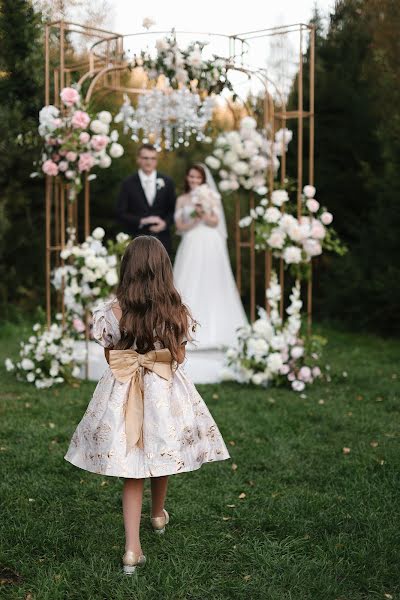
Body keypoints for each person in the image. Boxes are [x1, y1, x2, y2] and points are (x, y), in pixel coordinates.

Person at [64, 236, 230, 574]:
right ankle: (156, 515)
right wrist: (156, 356)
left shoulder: (111, 312)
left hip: (121, 392)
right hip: (164, 392)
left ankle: (131, 550)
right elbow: (178, 358)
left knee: (132, 468)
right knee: (162, 448)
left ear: (127, 270)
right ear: (164, 271)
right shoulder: (176, 312)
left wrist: (133, 358)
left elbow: (112, 355)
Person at [173, 164, 248, 349]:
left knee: (213, 281)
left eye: (198, 178)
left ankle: (218, 329)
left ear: (203, 180)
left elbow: (216, 222)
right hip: (191, 241)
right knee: (188, 279)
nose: (194, 181)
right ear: (187, 178)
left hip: (210, 242)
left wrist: (204, 214)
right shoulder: (182, 199)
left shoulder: (210, 196)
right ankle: (182, 329)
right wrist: (194, 217)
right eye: (191, 177)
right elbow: (180, 226)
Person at [116, 144, 176, 254]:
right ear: (138, 159)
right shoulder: (128, 183)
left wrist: (165, 224)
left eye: (153, 158)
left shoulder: (167, 182)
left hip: (162, 240)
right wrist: (142, 221)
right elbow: (120, 213)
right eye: (145, 158)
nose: (149, 162)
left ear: (156, 161)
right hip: (136, 240)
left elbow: (173, 210)